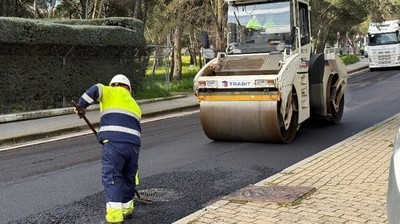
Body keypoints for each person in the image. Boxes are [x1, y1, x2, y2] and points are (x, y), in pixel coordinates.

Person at [74, 74, 141, 224]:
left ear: (113, 84)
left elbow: (96, 89)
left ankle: (115, 217)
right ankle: (127, 210)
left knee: (113, 177)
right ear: (128, 88)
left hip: (114, 144)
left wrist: (81, 106)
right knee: (128, 176)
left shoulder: (110, 91)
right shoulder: (135, 105)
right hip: (134, 147)